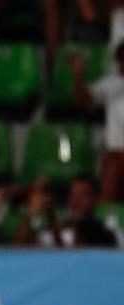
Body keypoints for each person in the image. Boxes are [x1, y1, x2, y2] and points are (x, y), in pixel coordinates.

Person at [73, 43, 124, 201]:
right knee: (112, 163)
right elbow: (82, 100)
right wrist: (79, 74)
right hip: (116, 156)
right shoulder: (111, 83)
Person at [17, 176, 118, 247]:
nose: (75, 201)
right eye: (72, 195)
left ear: (96, 199)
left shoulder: (103, 234)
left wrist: (52, 219)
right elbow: (21, 246)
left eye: (82, 195)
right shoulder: (53, 229)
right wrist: (30, 216)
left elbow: (73, 260)